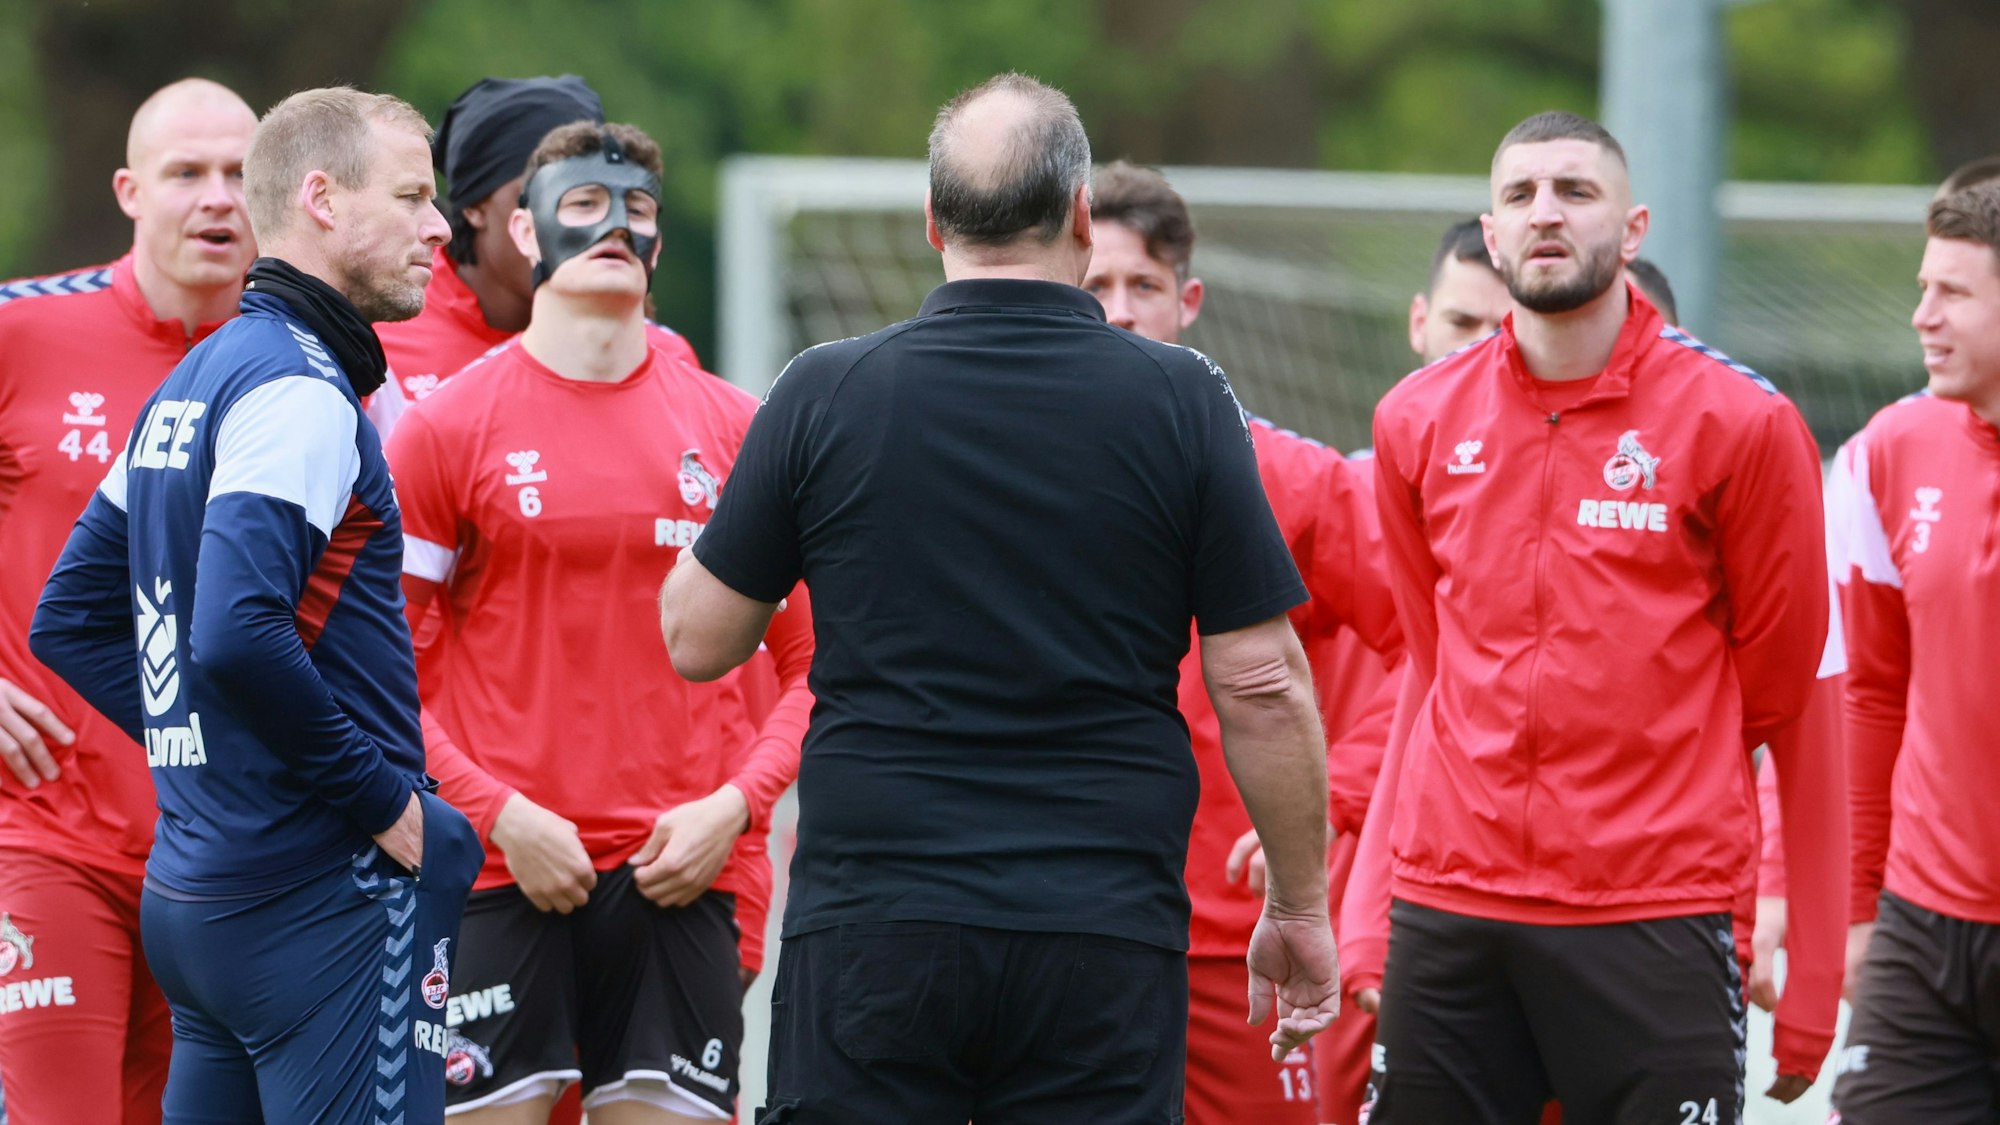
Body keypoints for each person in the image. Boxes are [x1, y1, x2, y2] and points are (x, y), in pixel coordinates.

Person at [660, 72, 1338, 1124]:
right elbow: (1259, 682)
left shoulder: (825, 391)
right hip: (1099, 931)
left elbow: (698, 638)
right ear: (1081, 216)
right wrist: (1298, 904)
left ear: (933, 220)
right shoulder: (1183, 399)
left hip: (874, 924)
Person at [1350, 110, 1838, 1123]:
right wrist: (1367, 918)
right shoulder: (1413, 419)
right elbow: (1434, 669)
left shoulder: (1743, 422)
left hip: (1653, 908)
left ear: (1633, 226)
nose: (1546, 213)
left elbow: (1784, 694)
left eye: (1575, 191)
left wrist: (1815, 977)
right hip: (1451, 901)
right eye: (1520, 195)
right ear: (1491, 236)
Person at [30, 86, 482, 1123]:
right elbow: (237, 633)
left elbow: (71, 616)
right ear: (322, 199)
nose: (437, 228)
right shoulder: (297, 386)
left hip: (200, 899)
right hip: (319, 897)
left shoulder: (200, 372)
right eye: (411, 196)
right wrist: (386, 805)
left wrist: (219, 762)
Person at [386, 120, 811, 1124]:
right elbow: (375, 672)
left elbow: (816, 665)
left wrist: (735, 808)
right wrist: (495, 812)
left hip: (682, 876)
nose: (615, 224)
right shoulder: (444, 428)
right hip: (501, 870)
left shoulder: (737, 429)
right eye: (583, 203)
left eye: (639, 209)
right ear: (523, 232)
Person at [1081, 160, 1399, 1125]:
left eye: (1143, 284)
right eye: (1096, 284)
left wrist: (1337, 799)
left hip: (1237, 943)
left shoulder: (1290, 477)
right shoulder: (1001, 466)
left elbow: (1437, 647)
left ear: (1189, 301)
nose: (1120, 310)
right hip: (1060, 925)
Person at [0, 77, 255, 1125]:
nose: (218, 197)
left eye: (240, 173)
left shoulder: (311, 366)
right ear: (129, 192)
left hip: (233, 852)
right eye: (187, 172)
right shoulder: (22, 330)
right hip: (47, 829)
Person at [1829, 182, 2000, 1122]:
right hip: (1921, 925)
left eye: (1953, 294)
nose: (1921, 316)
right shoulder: (1888, 450)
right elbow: (1868, 693)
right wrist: (1859, 910)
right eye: (1922, 287)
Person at [368, 75, 699, 433]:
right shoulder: (384, 329)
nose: (586, 228)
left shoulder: (663, 356)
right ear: (474, 206)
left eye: (586, 201)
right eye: (537, 196)